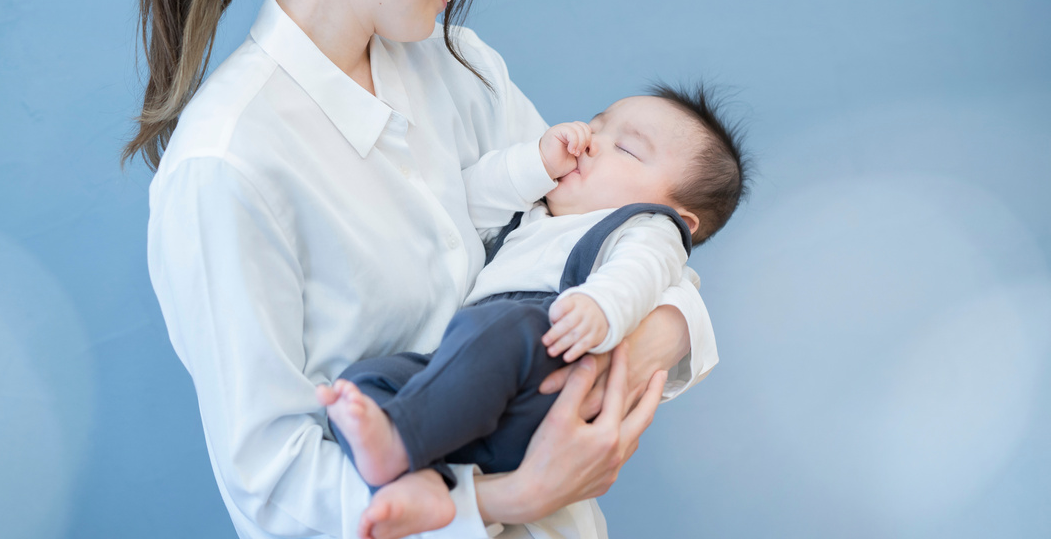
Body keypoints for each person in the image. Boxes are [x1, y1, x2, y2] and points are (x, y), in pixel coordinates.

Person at [125, 0, 719, 537]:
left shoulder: (463, 70)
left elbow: (634, 232)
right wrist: (513, 496)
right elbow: (275, 492)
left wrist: (642, 338)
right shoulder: (228, 166)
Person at [321, 85, 748, 539]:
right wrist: (536, 165)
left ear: (678, 219)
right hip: (470, 373)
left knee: (506, 328)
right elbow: (457, 203)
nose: (590, 140)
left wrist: (601, 306)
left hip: (545, 366)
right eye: (595, 124)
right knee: (368, 381)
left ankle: (404, 443)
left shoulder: (646, 227)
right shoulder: (533, 211)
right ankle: (421, 470)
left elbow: (642, 270)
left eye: (625, 147)